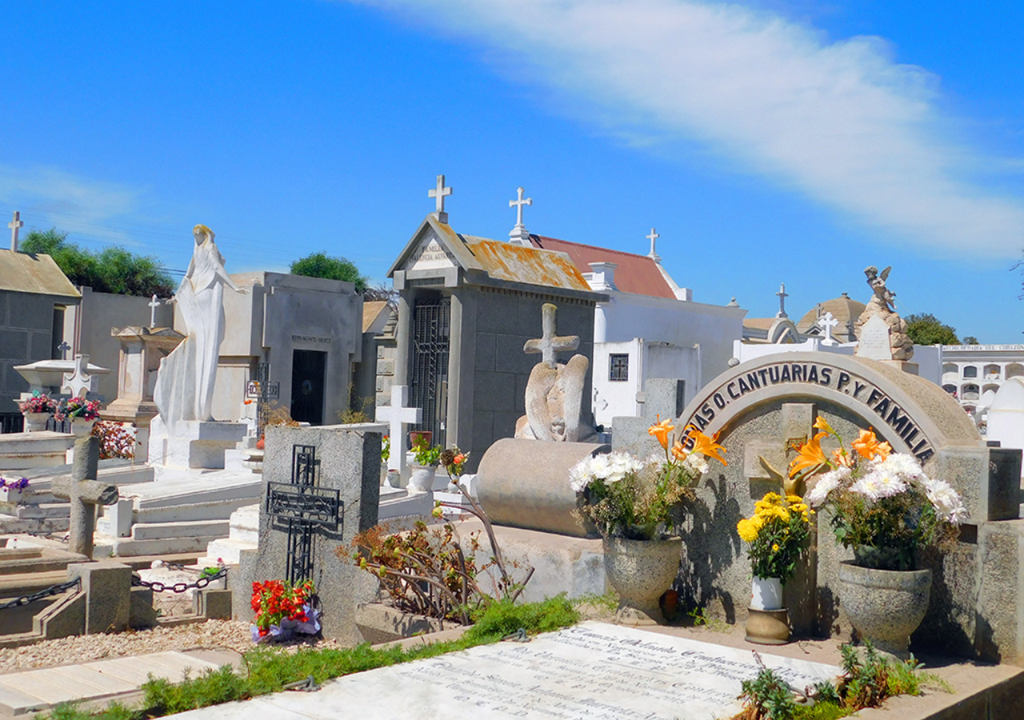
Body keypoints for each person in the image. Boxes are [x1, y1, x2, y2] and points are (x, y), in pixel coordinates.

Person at [154, 224, 247, 434]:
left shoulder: (206, 248)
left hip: (201, 291)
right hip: (203, 293)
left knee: (209, 339)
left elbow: (210, 268)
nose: (196, 238)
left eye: (198, 235)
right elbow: (193, 272)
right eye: (194, 235)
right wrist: (178, 295)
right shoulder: (202, 249)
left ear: (203, 235)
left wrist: (232, 287)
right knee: (209, 340)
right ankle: (201, 410)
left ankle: (201, 410)